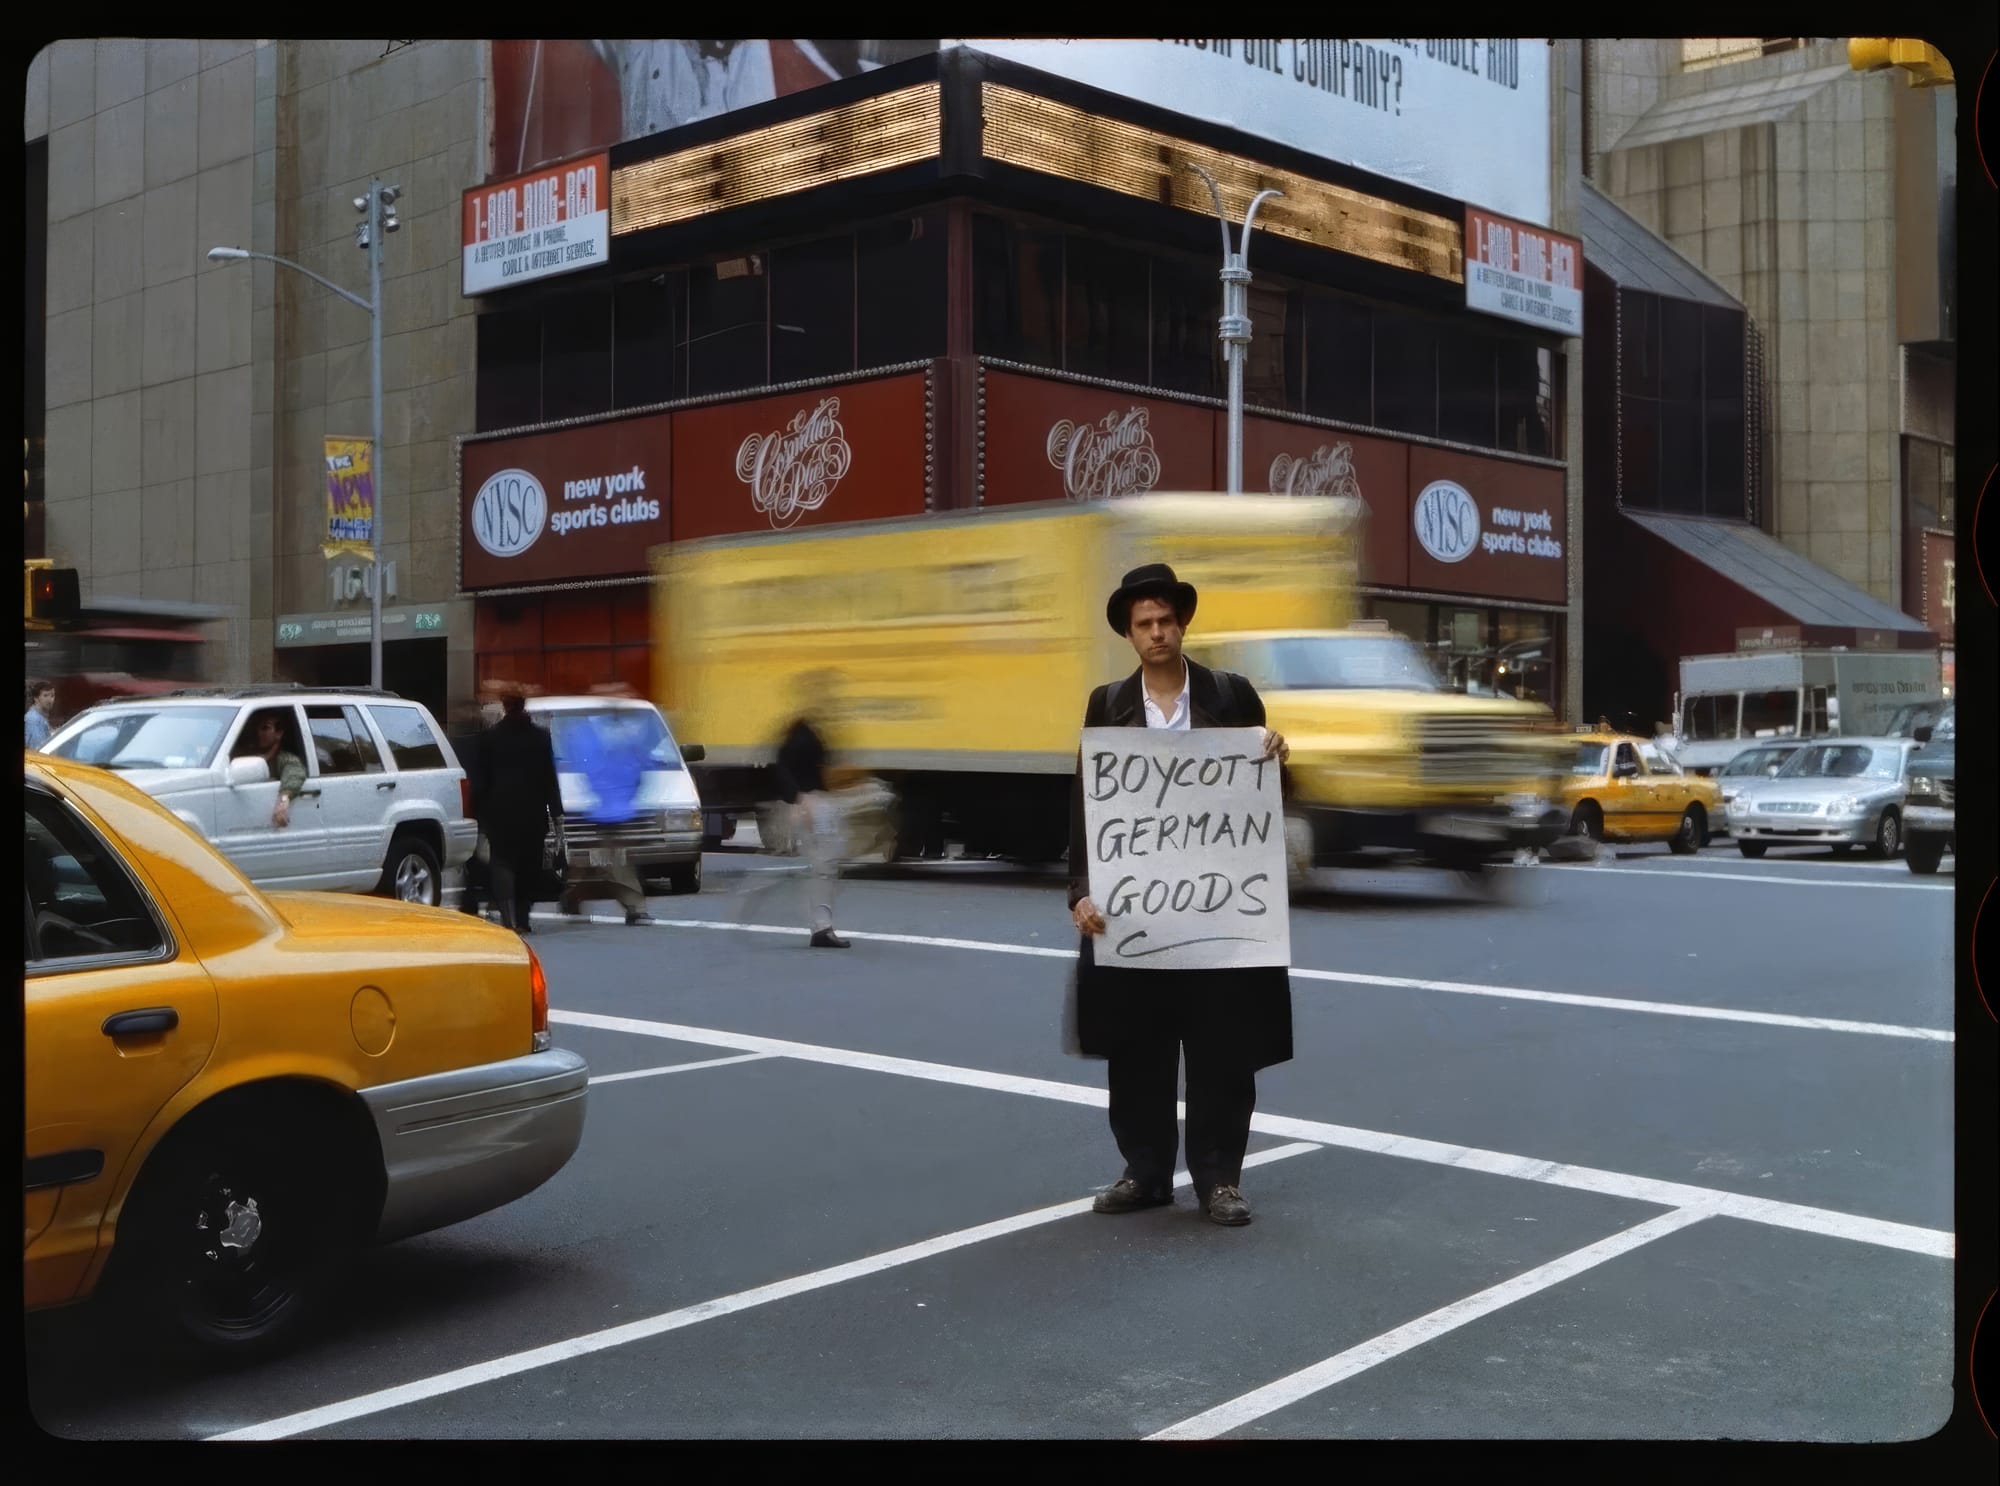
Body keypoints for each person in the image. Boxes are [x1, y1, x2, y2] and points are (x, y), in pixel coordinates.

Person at [1067, 563, 1290, 1228]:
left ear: (1183, 623)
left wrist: (1279, 755)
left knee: (1222, 1048)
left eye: (1166, 620)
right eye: (1145, 624)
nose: (1157, 633)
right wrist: (1081, 891)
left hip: (1219, 909)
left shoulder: (1230, 694)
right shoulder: (1107, 705)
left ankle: (1220, 1179)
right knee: (1138, 1049)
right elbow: (1086, 807)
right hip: (1137, 912)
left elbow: (1262, 797)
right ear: (1129, 635)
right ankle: (1146, 1171)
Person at [557, 687, 657, 927]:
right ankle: (634, 908)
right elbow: (584, 767)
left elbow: (640, 765)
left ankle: (573, 899)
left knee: (603, 863)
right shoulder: (586, 732)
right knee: (611, 863)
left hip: (616, 811)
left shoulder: (624, 732)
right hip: (596, 810)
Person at [473, 684, 564, 935]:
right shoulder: (540, 737)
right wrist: (556, 814)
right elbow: (549, 778)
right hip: (532, 813)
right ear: (524, 705)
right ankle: (523, 919)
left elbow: (481, 781)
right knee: (528, 866)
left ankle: (508, 919)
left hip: (499, 812)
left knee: (502, 862)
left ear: (504, 706)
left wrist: (479, 816)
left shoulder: (490, 738)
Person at [770, 675, 847, 949]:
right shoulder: (798, 732)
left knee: (825, 867)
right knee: (822, 868)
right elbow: (782, 767)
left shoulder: (815, 730)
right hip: (809, 804)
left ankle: (822, 925)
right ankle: (821, 927)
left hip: (818, 803)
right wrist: (799, 801)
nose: (826, 700)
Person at [446, 699, 495, 919]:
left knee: (474, 856)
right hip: (479, 804)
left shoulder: (455, 742)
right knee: (478, 856)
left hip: (470, 804)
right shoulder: (485, 741)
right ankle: (480, 896)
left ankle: (474, 899)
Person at [234, 709, 308, 828]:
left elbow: (294, 772)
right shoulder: (243, 756)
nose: (258, 732)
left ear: (279, 733)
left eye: (265, 728)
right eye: (256, 728)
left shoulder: (284, 759)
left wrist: (284, 801)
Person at [24, 681, 56, 750]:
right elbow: (39, 749)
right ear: (36, 698)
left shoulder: (40, 716)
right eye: (45, 695)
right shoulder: (34, 719)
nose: (50, 700)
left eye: (52, 695)